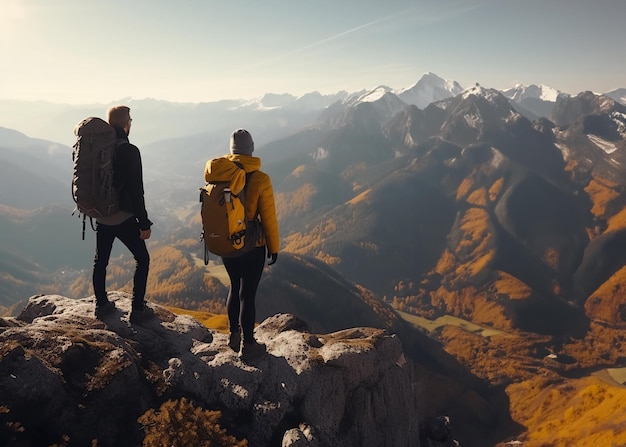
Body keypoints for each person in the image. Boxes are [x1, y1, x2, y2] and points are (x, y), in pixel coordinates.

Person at [204, 129, 279, 358]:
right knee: (248, 293)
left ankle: (233, 335)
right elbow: (268, 217)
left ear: (232, 149)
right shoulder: (260, 178)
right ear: (252, 148)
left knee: (234, 288)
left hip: (227, 242)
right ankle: (249, 344)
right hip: (252, 246)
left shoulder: (221, 174)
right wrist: (274, 247)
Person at [93, 105, 152, 322]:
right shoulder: (129, 150)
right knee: (142, 259)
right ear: (125, 123)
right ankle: (137, 310)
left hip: (101, 215)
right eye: (130, 120)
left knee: (101, 261)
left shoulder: (98, 148)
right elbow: (137, 190)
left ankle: (101, 305)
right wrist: (144, 222)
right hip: (123, 216)